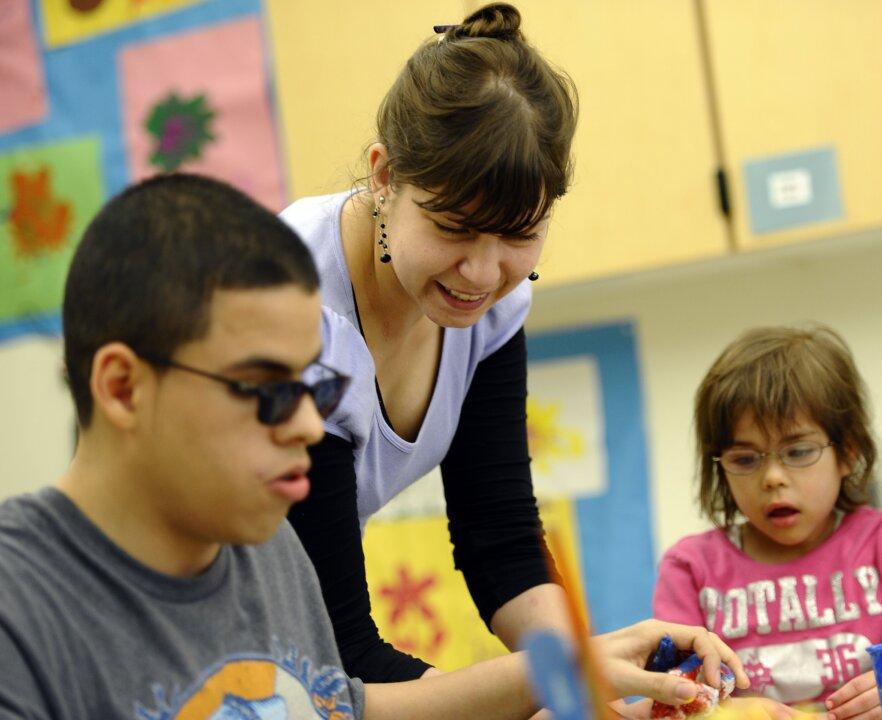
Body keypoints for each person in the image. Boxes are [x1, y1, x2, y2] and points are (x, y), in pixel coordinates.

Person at [0, 173, 750, 720]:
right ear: (123, 388)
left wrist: (575, 673)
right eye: (268, 389)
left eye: (317, 388)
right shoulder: (22, 607)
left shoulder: (272, 559)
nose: (307, 427)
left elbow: (349, 710)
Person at [279, 2, 580, 681]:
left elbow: (502, 541)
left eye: (520, 234)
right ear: (385, 177)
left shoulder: (492, 313)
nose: (483, 273)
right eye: (454, 228)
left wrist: (582, 683)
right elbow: (341, 654)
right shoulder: (292, 310)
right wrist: (536, 699)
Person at [653, 325, 882, 719]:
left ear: (848, 453)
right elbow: (672, 694)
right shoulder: (691, 567)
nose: (773, 477)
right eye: (745, 459)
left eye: (798, 451)